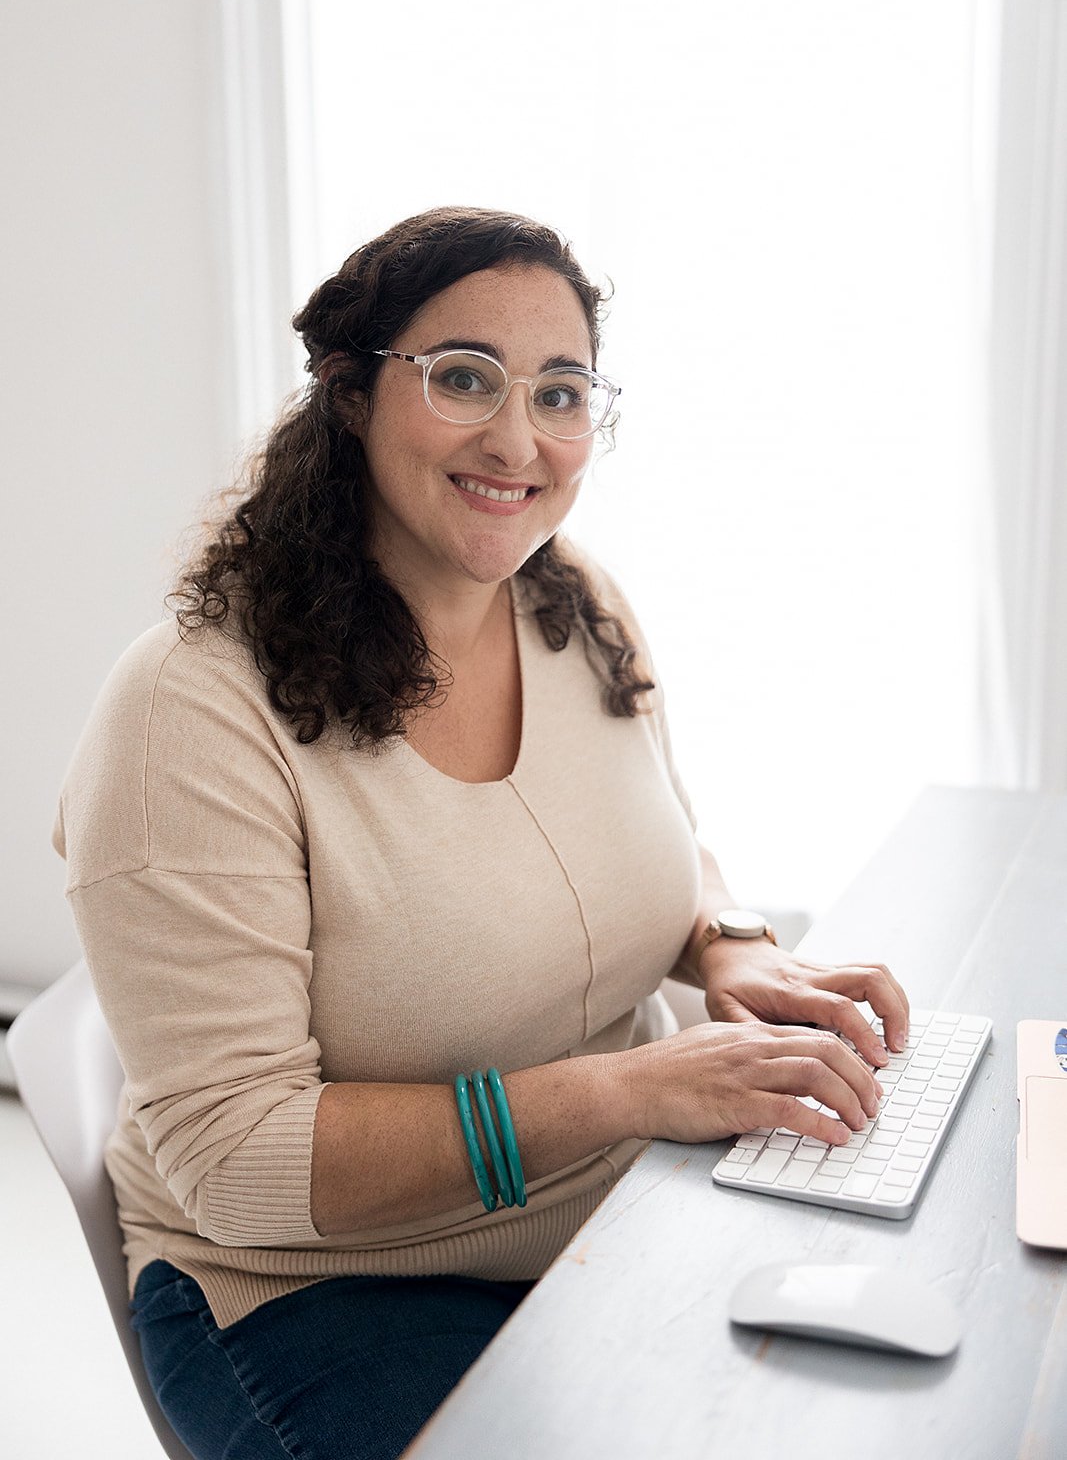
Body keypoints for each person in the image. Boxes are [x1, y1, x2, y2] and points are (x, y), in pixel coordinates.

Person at [55, 206, 909, 1460]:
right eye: (463, 378)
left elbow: (655, 834)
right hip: (324, 1290)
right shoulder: (189, 709)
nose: (518, 437)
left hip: (615, 1204)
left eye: (561, 393)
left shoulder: (573, 604)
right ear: (352, 395)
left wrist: (726, 945)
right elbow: (236, 1161)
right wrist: (629, 1087)